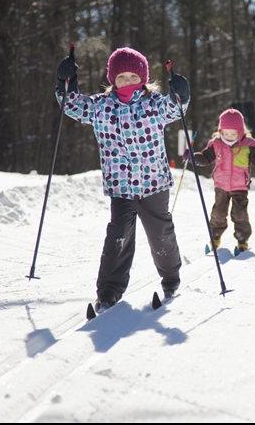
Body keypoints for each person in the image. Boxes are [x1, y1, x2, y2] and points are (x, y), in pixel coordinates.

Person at [56, 46, 190, 313]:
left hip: (153, 185)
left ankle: (171, 278)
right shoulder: (100, 106)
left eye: (132, 76)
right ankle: (108, 291)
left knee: (160, 234)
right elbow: (71, 105)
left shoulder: (154, 104)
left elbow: (176, 109)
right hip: (121, 188)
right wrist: (65, 83)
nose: (127, 81)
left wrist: (181, 94)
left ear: (143, 78)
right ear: (112, 80)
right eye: (121, 77)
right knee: (118, 237)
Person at [183, 108, 255, 253]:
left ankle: (242, 239)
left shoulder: (249, 144)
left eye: (233, 133)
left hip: (240, 186)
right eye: (225, 133)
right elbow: (206, 158)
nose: (229, 136)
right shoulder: (216, 144)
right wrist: (193, 157)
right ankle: (215, 236)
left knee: (239, 214)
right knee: (218, 213)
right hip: (221, 185)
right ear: (220, 130)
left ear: (240, 131)